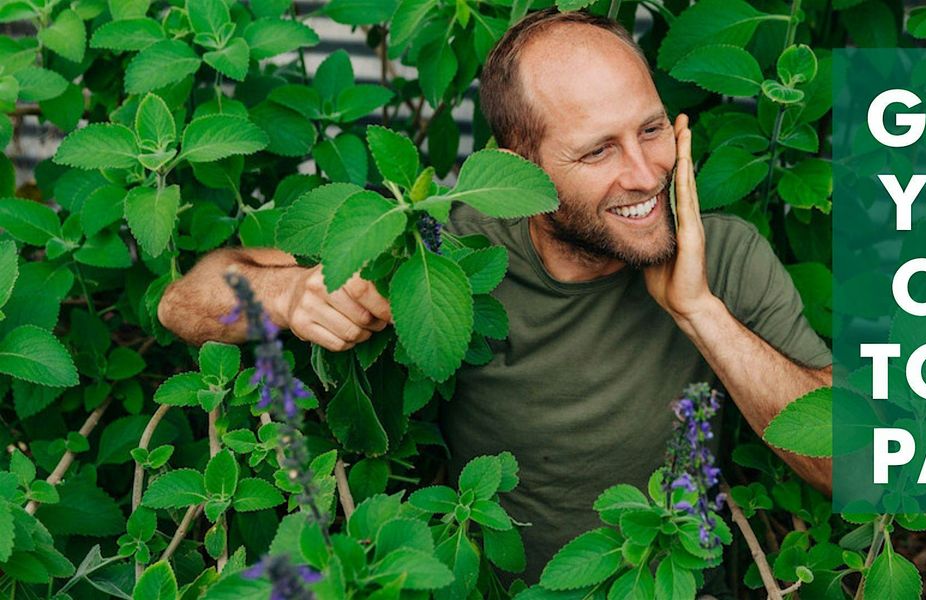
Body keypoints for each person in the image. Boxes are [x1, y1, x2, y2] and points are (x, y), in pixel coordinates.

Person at [157, 8, 832, 595]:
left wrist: (701, 312)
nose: (645, 172)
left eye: (651, 130)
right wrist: (285, 295)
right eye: (598, 150)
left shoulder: (726, 255)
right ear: (522, 162)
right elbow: (182, 304)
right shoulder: (444, 252)